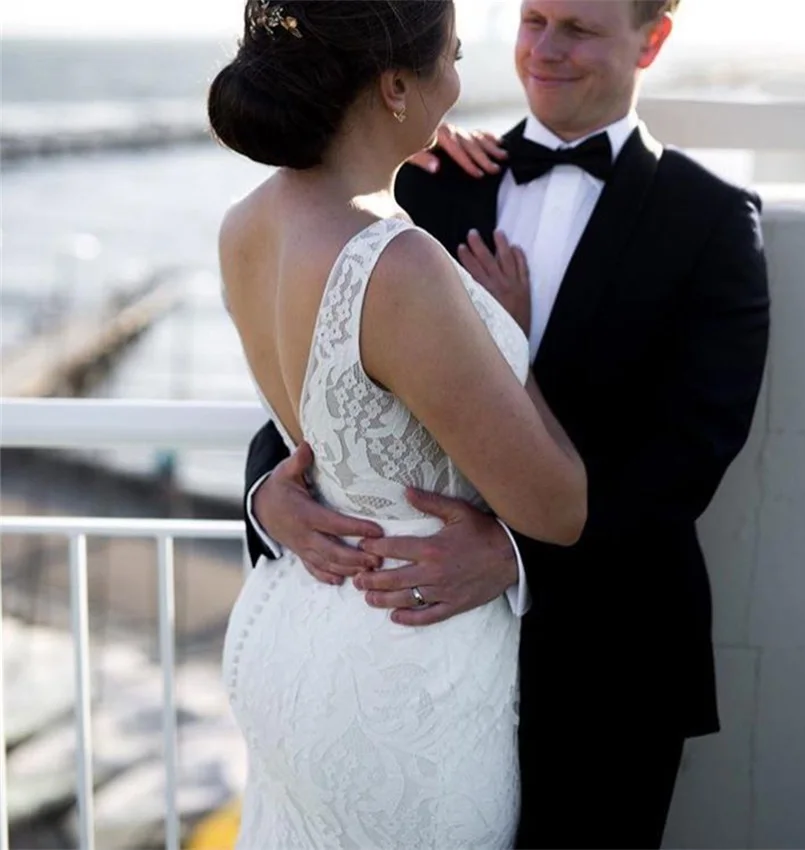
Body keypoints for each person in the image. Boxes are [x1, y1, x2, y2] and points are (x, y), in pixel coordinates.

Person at [245, 1, 771, 848]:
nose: (545, 50)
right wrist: (266, 497)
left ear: (654, 39)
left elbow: (689, 457)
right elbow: (316, 383)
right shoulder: (422, 181)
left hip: (610, 665)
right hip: (412, 667)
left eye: (580, 29)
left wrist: (513, 554)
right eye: (533, 19)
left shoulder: (712, 221)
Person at [210, 1, 587, 847]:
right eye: (450, 59)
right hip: (400, 682)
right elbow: (557, 507)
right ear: (393, 87)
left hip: (290, 634)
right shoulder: (398, 261)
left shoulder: (246, 224)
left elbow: (313, 429)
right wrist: (508, 340)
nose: (458, 84)